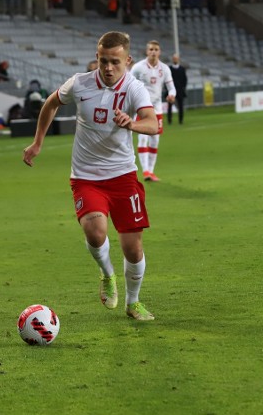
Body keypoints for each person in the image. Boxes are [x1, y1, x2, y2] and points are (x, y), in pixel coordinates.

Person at [22, 31, 160, 321]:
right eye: (103, 60)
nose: (108, 68)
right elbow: (50, 103)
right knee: (95, 233)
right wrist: (38, 142)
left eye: (115, 62)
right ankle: (107, 274)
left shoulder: (134, 88)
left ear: (128, 61)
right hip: (86, 177)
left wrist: (132, 124)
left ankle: (133, 303)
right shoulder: (80, 83)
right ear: (97, 58)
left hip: (123, 176)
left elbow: (152, 124)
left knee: (133, 249)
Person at [130, 40, 175, 182]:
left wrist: (172, 94)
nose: (153, 52)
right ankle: (146, 171)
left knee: (155, 139)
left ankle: (152, 170)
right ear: (146, 51)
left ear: (159, 51)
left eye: (156, 49)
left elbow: (171, 87)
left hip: (157, 108)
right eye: (151, 49)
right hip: (142, 109)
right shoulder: (138, 68)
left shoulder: (165, 69)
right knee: (143, 137)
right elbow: (129, 85)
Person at [167, 53, 187, 125]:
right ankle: (169, 120)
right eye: (174, 58)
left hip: (180, 90)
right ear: (172, 59)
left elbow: (185, 80)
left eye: (176, 58)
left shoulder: (182, 69)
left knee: (181, 106)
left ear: (178, 59)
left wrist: (182, 88)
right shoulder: (169, 69)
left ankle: (181, 120)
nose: (175, 59)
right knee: (170, 106)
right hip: (171, 91)